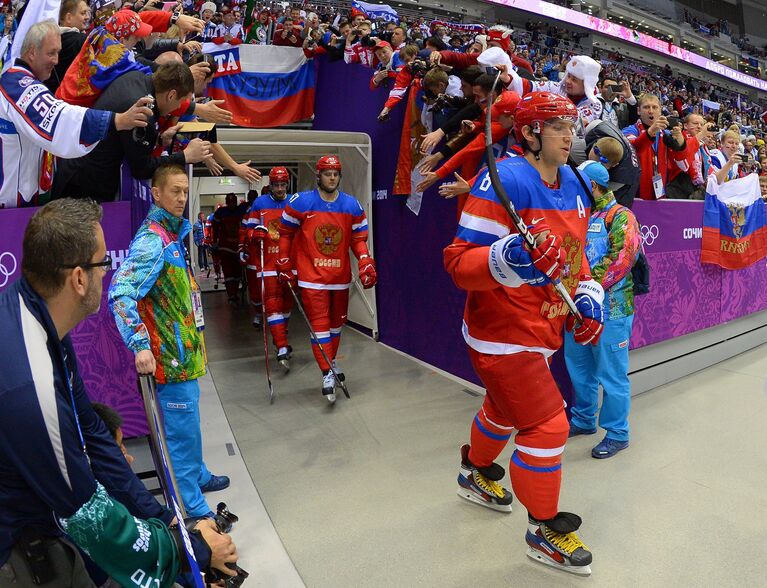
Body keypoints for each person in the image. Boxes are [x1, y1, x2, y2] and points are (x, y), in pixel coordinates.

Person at [0, 199, 237, 587]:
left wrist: (167, 520)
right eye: (103, 264)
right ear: (79, 278)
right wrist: (190, 551)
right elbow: (87, 512)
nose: (107, 274)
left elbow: (93, 435)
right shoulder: (31, 382)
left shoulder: (41, 323)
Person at [443, 92, 604, 576]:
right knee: (548, 424)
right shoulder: (505, 179)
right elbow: (458, 263)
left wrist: (588, 294)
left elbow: (576, 260)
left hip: (543, 328)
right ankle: (543, 529)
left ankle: (474, 472)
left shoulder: (575, 180)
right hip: (503, 333)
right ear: (531, 133)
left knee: (503, 409)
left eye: (572, 126)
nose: (569, 134)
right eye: (559, 126)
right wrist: (504, 259)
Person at [109, 164, 230, 519]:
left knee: (190, 426)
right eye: (174, 191)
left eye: (184, 191)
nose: (180, 198)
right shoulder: (153, 240)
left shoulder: (172, 234)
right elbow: (121, 293)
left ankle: (198, 475)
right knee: (180, 434)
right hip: (170, 360)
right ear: (156, 193)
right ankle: (190, 503)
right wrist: (140, 344)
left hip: (186, 356)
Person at [0, 19, 151, 208]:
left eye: (58, 53)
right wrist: (116, 120)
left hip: (25, 201)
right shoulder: (17, 84)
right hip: (11, 209)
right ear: (31, 52)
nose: (56, 61)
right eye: (51, 53)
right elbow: (58, 118)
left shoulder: (25, 81)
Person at [277, 156, 377, 403]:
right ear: (318, 176)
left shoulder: (351, 205)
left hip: (340, 277)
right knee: (320, 325)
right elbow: (286, 233)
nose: (332, 177)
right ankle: (326, 373)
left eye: (335, 173)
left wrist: (364, 260)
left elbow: (358, 238)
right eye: (327, 173)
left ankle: (330, 364)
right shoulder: (301, 202)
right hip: (312, 279)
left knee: (335, 325)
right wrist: (284, 261)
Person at [564, 161, 641, 458]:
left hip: (613, 310)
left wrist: (588, 288)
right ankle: (584, 420)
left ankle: (618, 432)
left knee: (612, 374)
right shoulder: (576, 215)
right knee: (580, 368)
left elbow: (623, 257)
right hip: (576, 311)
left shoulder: (621, 216)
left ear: (593, 187)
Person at [53, 61, 213, 202]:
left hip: (73, 168)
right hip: (84, 190)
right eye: (180, 102)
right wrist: (184, 156)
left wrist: (158, 140)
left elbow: (126, 139)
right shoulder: (143, 111)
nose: (178, 108)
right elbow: (141, 168)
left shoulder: (136, 77)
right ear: (171, 95)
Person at [241, 167, 294, 370]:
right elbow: (247, 230)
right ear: (270, 185)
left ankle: (281, 335)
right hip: (268, 265)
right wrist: (254, 236)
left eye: (283, 184)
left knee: (287, 306)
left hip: (289, 264)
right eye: (276, 185)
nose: (280, 189)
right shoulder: (260, 203)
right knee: (272, 305)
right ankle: (281, 346)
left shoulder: (294, 202)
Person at [622, 93, 687, 200]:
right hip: (635, 195)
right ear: (638, 111)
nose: (651, 111)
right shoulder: (629, 130)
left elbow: (683, 165)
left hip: (659, 192)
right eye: (646, 107)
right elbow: (632, 150)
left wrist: (680, 143)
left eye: (654, 107)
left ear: (660, 111)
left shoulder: (666, 134)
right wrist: (650, 132)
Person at [212, 192, 248, 305]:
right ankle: (231, 295)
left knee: (237, 273)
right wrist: (214, 242)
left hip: (238, 247)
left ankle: (235, 293)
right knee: (228, 272)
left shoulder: (242, 210)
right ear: (227, 202)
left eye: (233, 201)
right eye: (230, 201)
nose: (232, 204)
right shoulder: (220, 213)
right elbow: (215, 228)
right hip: (226, 248)